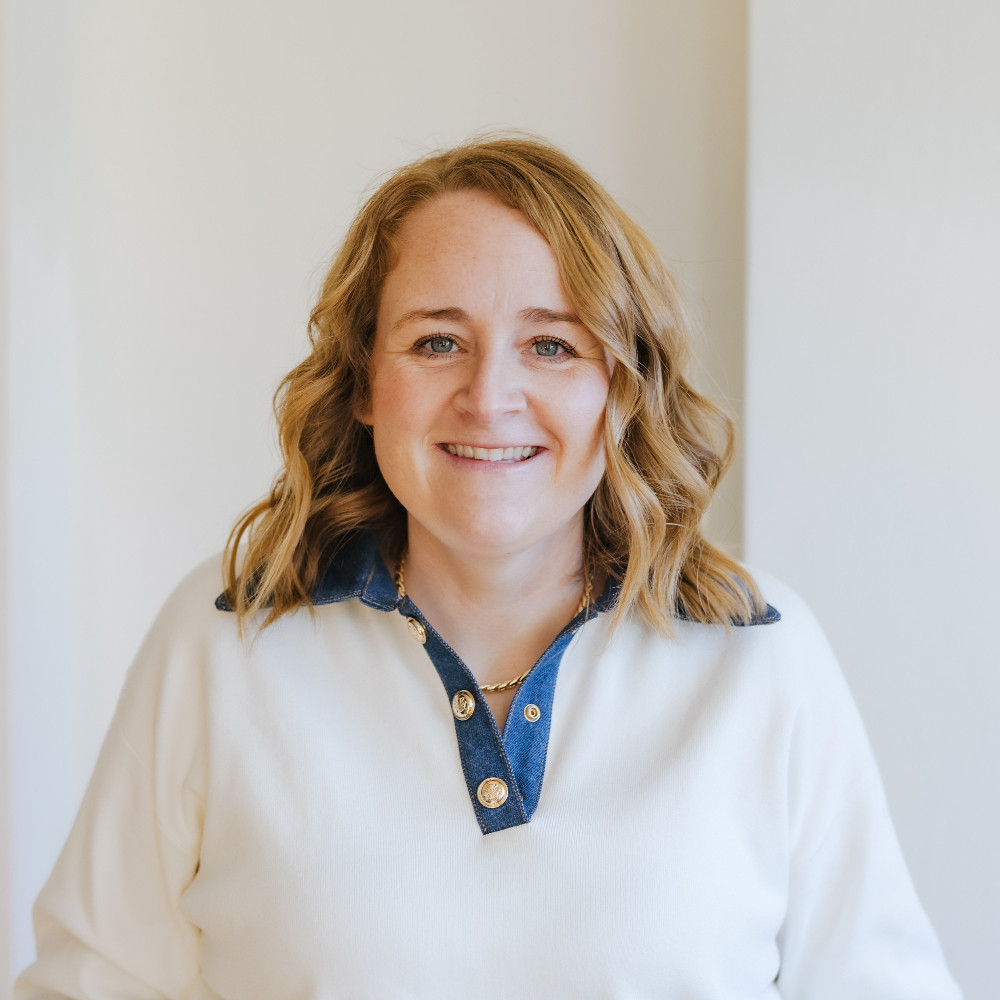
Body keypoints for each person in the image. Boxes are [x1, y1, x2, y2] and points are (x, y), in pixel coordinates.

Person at [16, 136, 961, 999]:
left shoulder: (761, 658)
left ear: (622, 387)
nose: (490, 397)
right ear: (364, 385)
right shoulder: (225, 640)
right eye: (437, 342)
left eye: (550, 345)